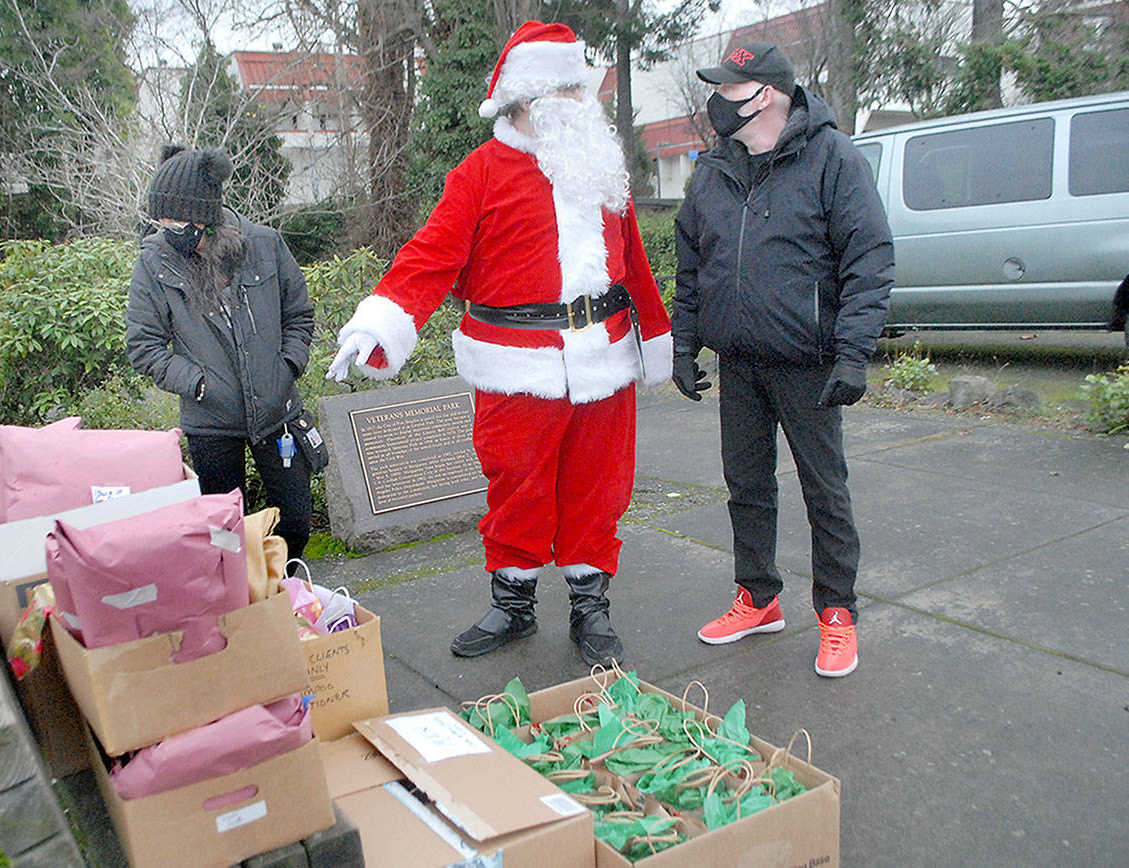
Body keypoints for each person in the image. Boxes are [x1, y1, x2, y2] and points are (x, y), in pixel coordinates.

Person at [326, 21, 672, 667]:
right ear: (524, 98)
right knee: (516, 486)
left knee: (598, 489)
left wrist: (657, 336)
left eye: (580, 86)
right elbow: (429, 257)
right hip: (518, 368)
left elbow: (634, 266)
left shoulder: (599, 163)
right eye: (566, 88)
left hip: (604, 357)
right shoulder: (480, 173)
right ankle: (512, 605)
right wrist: (380, 325)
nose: (580, 99)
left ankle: (590, 609)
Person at [672, 42, 894, 677]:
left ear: (764, 93)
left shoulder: (833, 159)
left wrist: (853, 354)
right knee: (746, 485)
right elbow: (692, 267)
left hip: (808, 363)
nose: (716, 101)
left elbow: (869, 262)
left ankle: (837, 614)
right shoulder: (715, 170)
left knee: (825, 491)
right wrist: (685, 346)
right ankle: (759, 597)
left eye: (728, 88)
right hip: (739, 363)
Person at [127, 145, 316, 562]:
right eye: (162, 220)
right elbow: (145, 346)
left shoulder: (264, 245)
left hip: (277, 410)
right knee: (226, 536)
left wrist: (286, 367)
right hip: (211, 422)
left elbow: (299, 316)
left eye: (173, 220)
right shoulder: (155, 265)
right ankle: (244, 603)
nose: (165, 229)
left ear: (203, 217)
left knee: (297, 520)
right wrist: (197, 384)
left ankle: (281, 590)